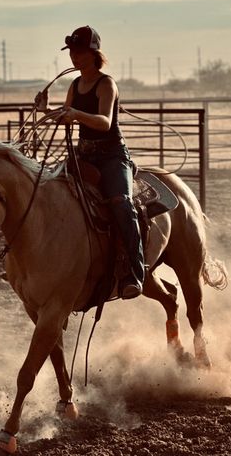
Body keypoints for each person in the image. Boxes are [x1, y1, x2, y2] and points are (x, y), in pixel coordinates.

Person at [37, 25, 145, 299]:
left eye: (80, 51)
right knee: (48, 193)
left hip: (111, 156)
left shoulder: (105, 83)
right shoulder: (75, 85)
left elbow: (105, 122)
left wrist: (74, 114)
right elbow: (66, 115)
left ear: (93, 52)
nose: (74, 57)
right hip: (83, 155)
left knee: (122, 203)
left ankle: (135, 269)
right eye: (72, 52)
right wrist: (45, 111)